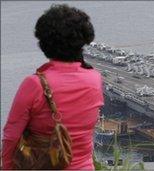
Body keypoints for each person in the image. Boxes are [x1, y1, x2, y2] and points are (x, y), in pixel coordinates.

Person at [1, 4, 103, 170]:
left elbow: (11, 135)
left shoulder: (34, 84)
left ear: (44, 44)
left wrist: (6, 167)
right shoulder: (95, 79)